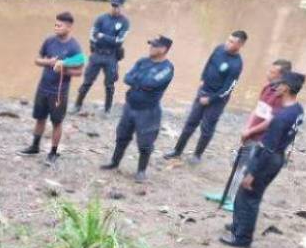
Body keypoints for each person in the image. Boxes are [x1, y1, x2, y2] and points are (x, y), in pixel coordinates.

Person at [222, 71, 305, 248]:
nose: (276, 87)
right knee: (245, 196)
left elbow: (266, 149)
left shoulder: (281, 118)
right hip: (278, 156)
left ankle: (243, 238)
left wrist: (252, 173)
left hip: (267, 159)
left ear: (287, 88)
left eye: (280, 84)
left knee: (248, 196)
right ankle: (238, 226)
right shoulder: (297, 110)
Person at [100, 35, 175, 182]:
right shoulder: (142, 61)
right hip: (130, 107)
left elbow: (151, 82)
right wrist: (141, 83)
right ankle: (114, 162)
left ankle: (141, 171)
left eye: (154, 46)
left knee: (145, 142)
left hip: (148, 111)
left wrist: (138, 81)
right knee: (122, 136)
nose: (151, 48)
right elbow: (127, 77)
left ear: (163, 49)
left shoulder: (167, 68)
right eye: (151, 45)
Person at [165, 30, 247, 163]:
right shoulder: (219, 49)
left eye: (232, 42)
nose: (227, 43)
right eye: (228, 40)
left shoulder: (236, 64)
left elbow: (228, 88)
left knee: (207, 128)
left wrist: (210, 99)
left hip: (217, 100)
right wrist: (202, 79)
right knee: (190, 123)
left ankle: (197, 155)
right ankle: (177, 150)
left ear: (240, 45)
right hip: (203, 91)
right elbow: (209, 63)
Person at [22, 12, 84, 161]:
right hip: (43, 87)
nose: (56, 27)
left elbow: (80, 72)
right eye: (55, 24)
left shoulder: (74, 47)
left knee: (57, 122)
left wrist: (64, 69)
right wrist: (48, 63)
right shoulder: (49, 41)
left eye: (59, 25)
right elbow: (37, 60)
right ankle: (35, 146)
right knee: (39, 118)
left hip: (59, 92)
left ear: (69, 27)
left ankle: (53, 152)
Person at [75, 0, 130, 114]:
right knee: (87, 81)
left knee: (110, 84)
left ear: (122, 7)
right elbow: (93, 35)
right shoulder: (101, 18)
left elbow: (119, 40)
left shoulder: (124, 22)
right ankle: (77, 105)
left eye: (118, 6)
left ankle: (107, 109)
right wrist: (108, 38)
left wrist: (102, 36)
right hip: (97, 54)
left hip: (112, 56)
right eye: (113, 5)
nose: (115, 8)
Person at [239, 58, 292, 148]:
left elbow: (271, 121)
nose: (268, 73)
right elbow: (257, 109)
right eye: (269, 70)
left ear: (282, 76)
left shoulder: (282, 96)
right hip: (250, 135)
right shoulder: (267, 87)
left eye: (272, 72)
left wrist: (250, 131)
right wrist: (247, 128)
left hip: (262, 140)